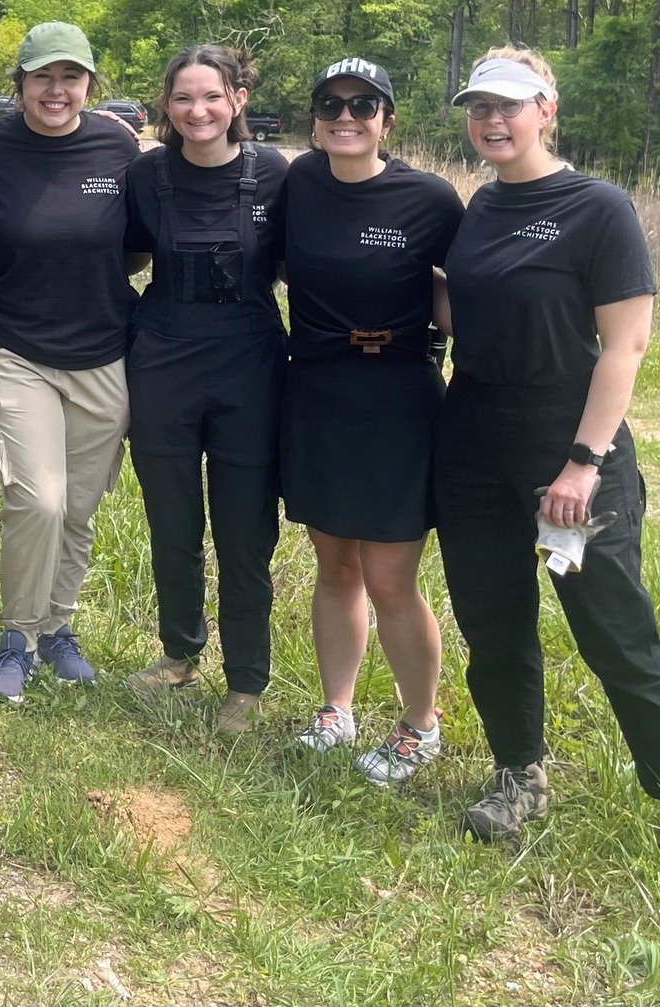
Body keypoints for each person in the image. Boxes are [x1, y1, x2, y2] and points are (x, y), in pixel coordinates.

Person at [435, 48, 660, 876]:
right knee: (494, 625)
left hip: (569, 453)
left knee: (616, 633)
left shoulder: (599, 207)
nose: (493, 120)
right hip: (474, 445)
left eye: (510, 106)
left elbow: (625, 343)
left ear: (547, 108)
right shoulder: (478, 208)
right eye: (479, 107)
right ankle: (519, 776)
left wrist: (584, 462)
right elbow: (469, 315)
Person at [280, 58, 461, 782]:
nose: (345, 116)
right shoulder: (297, 182)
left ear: (388, 118)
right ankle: (336, 708)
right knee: (336, 562)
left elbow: (466, 289)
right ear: (315, 116)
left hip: (399, 399)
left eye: (363, 104)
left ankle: (421, 724)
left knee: (391, 575)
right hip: (319, 390)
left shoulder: (430, 199)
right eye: (331, 103)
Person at [0, 24, 140, 702]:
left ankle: (59, 627)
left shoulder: (117, 146)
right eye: (42, 76)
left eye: (70, 77)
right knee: (38, 497)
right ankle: (17, 636)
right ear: (21, 84)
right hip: (11, 348)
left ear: (90, 84)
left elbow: (140, 246)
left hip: (101, 351)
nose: (56, 90)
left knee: (80, 506)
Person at [122, 44, 289, 736]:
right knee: (172, 518)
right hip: (162, 359)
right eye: (184, 98)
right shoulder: (146, 175)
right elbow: (125, 254)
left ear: (238, 100)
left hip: (249, 363)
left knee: (245, 529)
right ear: (166, 104)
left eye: (212, 97)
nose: (198, 111)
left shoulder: (274, 174)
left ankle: (246, 681)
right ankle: (180, 651)